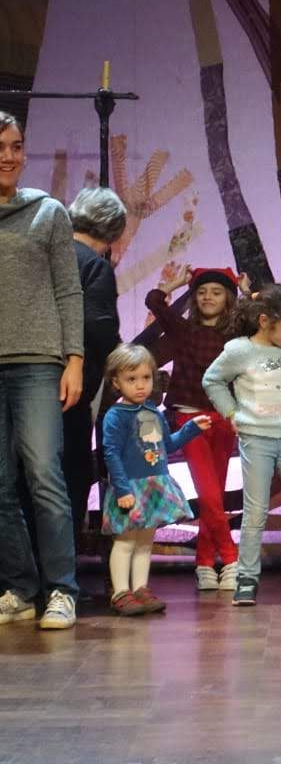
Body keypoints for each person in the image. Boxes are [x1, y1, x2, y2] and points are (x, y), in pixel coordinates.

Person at [0, 110, 84, 631]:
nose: (9, 156)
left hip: (36, 360)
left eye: (15, 146)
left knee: (44, 477)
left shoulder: (47, 211)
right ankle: (21, 587)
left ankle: (62, 590)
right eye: (0, 147)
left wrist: (74, 358)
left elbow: (68, 289)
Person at [202, 284, 281, 608]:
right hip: (256, 438)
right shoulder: (239, 350)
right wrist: (231, 412)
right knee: (255, 512)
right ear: (265, 321)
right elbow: (212, 379)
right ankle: (247, 577)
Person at [146, 265, 247, 591]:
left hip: (225, 417)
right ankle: (230, 559)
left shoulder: (236, 335)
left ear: (228, 298)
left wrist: (246, 291)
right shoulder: (183, 329)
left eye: (216, 292)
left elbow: (261, 316)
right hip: (190, 418)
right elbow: (154, 301)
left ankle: (204, 562)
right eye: (201, 292)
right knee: (208, 493)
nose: (207, 297)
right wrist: (178, 282)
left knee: (213, 494)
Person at [100, 344, 206, 615]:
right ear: (116, 382)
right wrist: (122, 489)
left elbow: (166, 445)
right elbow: (111, 454)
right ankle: (120, 592)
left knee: (145, 542)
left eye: (146, 378)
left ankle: (140, 588)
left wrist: (191, 429)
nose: (140, 385)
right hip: (130, 488)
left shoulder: (154, 412)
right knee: (125, 542)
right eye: (131, 379)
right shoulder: (115, 416)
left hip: (154, 485)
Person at [64, 187, 127, 540]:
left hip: (28, 376)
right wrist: (121, 360)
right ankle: (62, 563)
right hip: (72, 385)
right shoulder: (94, 266)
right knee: (71, 471)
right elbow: (98, 327)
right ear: (113, 230)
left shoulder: (50, 254)